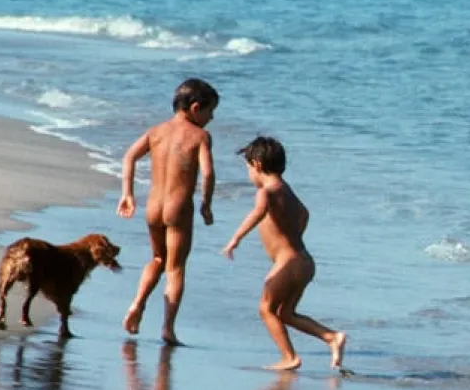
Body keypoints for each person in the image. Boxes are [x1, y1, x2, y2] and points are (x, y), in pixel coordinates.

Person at [221, 136, 346, 371]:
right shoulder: (287, 191)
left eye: (248, 167)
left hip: (287, 263)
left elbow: (258, 213)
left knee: (266, 309)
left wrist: (235, 239)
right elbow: (305, 214)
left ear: (257, 165)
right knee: (286, 313)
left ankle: (289, 357)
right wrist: (293, 234)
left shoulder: (266, 192)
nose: (248, 174)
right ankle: (331, 337)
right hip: (304, 261)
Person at [118, 78, 218, 345]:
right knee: (175, 269)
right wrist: (206, 204)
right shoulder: (200, 136)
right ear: (196, 108)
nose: (211, 118)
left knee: (158, 259)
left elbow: (129, 156)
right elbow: (207, 173)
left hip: (153, 207)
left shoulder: (156, 131)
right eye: (210, 112)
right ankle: (168, 328)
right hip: (178, 208)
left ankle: (137, 304)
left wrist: (127, 193)